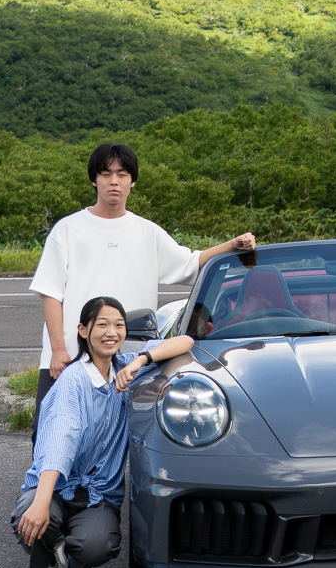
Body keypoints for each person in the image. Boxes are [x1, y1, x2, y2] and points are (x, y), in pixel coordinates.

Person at [28, 142, 253, 419]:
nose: (114, 181)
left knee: (121, 445)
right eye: (106, 174)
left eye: (122, 174)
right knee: (54, 440)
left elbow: (190, 263)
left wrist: (231, 245)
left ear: (132, 182)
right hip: (72, 356)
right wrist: (58, 350)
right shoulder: (67, 229)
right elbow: (51, 293)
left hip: (129, 363)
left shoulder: (147, 232)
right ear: (94, 180)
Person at [12, 295, 195, 568]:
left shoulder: (125, 366)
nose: (112, 332)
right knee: (33, 517)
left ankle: (73, 563)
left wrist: (140, 361)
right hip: (56, 486)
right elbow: (61, 442)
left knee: (98, 545)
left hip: (97, 495)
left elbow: (186, 341)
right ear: (83, 330)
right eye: (102, 324)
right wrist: (41, 503)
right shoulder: (73, 381)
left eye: (119, 325)